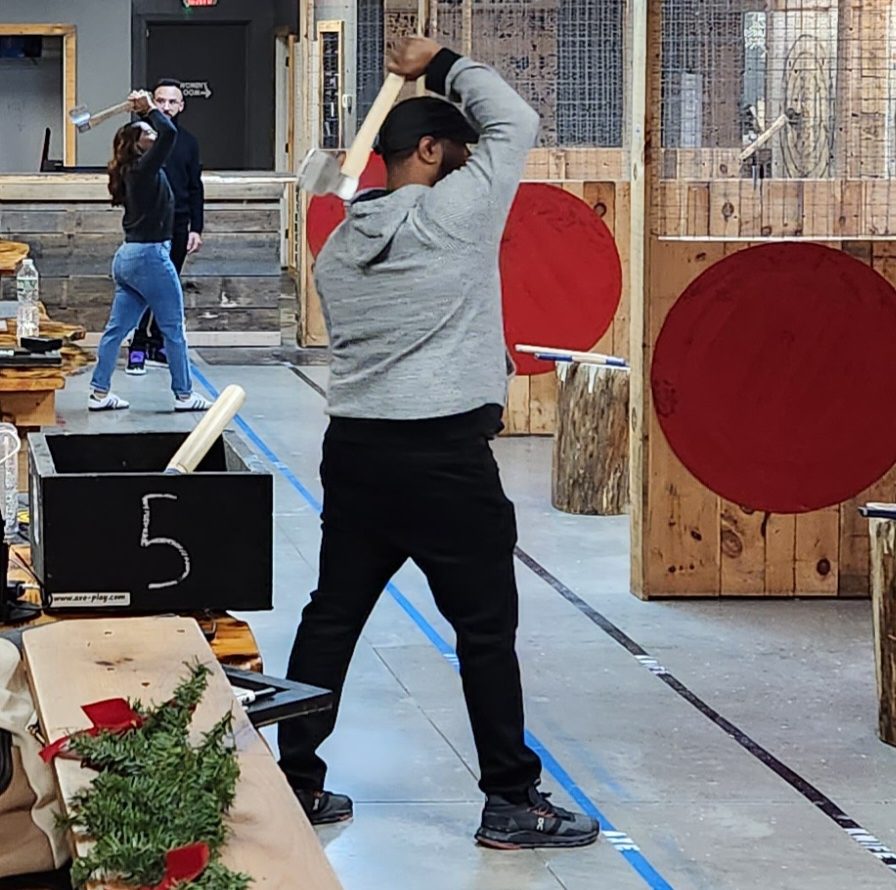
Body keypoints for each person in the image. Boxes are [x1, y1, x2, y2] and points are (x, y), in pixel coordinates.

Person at [277, 37, 599, 849]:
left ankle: (296, 786)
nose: (468, 165)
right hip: (446, 463)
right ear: (427, 150)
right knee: (485, 631)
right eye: (456, 153)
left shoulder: (341, 246)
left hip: (356, 451)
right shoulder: (456, 216)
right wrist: (442, 60)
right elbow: (514, 120)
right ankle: (511, 802)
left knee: (332, 618)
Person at [89, 89, 210, 412]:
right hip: (151, 257)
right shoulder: (143, 170)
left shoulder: (134, 171)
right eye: (148, 133)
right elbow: (169, 131)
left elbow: (165, 134)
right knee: (173, 328)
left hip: (128, 257)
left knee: (116, 331)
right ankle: (184, 395)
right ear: (139, 145)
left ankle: (99, 392)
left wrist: (147, 112)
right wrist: (147, 108)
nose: (154, 134)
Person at [126, 78, 204, 376]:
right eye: (161, 101)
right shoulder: (139, 138)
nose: (167, 107)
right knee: (146, 289)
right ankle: (138, 345)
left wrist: (196, 227)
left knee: (168, 290)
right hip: (148, 228)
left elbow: (195, 187)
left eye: (173, 102)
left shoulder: (188, 143)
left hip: (179, 225)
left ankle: (157, 343)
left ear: (181, 106)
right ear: (152, 103)